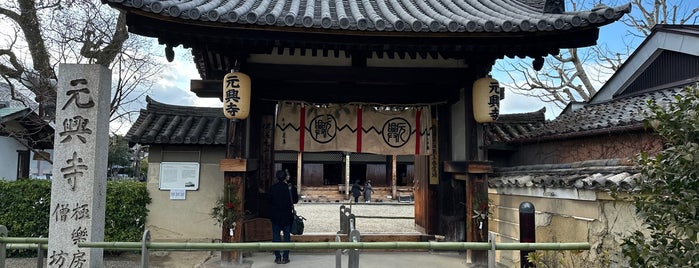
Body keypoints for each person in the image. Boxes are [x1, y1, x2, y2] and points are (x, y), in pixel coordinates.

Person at [268, 170, 299, 264]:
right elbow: (295, 200)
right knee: (287, 237)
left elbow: (268, 201)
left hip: (275, 216)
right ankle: (285, 257)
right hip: (287, 215)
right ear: (286, 177)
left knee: (276, 237)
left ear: (277, 177)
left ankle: (277, 257)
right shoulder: (290, 188)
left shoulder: (272, 188)